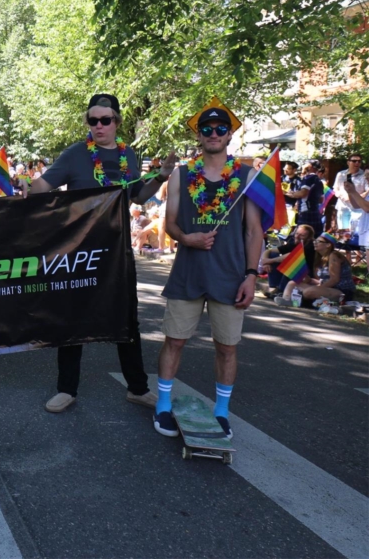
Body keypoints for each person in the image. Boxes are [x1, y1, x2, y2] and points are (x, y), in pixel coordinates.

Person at [28, 94, 174, 413]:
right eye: (92, 120)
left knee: (126, 319)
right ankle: (66, 389)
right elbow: (42, 187)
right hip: (80, 251)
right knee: (73, 318)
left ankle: (137, 387)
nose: (98, 126)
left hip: (117, 250)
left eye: (105, 120)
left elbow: (137, 196)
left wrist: (160, 177)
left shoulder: (128, 155)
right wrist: (30, 188)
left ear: (117, 122)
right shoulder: (75, 155)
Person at [154, 100, 262, 440]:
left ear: (229, 134)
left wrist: (251, 275)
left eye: (219, 129)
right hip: (188, 273)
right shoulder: (181, 175)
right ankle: (163, 405)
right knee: (174, 341)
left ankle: (221, 411)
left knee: (227, 347)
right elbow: (169, 224)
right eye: (206, 129)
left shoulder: (247, 176)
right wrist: (187, 237)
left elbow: (253, 231)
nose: (213, 134)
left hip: (230, 277)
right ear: (198, 135)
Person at [280, 233, 356, 306]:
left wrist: (317, 288)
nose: (315, 243)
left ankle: (299, 301)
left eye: (319, 241)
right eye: (315, 241)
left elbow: (334, 280)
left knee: (309, 291)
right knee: (292, 283)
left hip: (341, 291)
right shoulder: (319, 257)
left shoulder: (334, 255)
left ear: (328, 245)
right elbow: (320, 280)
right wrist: (308, 279)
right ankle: (287, 300)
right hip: (327, 288)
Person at [262, 224, 316, 298]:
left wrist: (269, 261)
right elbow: (269, 251)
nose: (297, 236)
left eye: (302, 235)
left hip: (306, 274)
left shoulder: (309, 246)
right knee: (273, 254)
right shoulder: (294, 243)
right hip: (296, 272)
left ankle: (281, 290)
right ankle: (275, 288)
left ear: (309, 238)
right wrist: (265, 263)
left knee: (291, 264)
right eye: (297, 233)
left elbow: (291, 257)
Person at [333, 154, 366, 233]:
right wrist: (341, 195)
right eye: (354, 161)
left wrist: (356, 198)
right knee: (343, 233)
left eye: (359, 161)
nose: (357, 163)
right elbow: (335, 188)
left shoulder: (364, 175)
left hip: (357, 209)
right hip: (342, 207)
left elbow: (367, 191)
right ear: (348, 162)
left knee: (355, 233)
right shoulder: (340, 174)